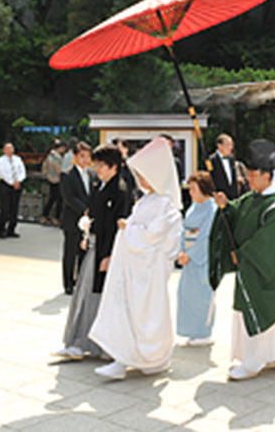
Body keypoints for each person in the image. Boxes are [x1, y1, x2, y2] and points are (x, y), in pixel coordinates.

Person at [90, 137, 183, 380]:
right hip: (136, 270)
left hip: (148, 274)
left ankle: (153, 358)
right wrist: (128, 228)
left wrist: (127, 229)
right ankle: (123, 358)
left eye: (143, 175)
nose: (140, 180)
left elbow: (153, 236)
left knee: (146, 316)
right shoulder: (147, 201)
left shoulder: (166, 205)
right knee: (128, 312)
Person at [209, 140, 275, 381]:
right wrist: (225, 205)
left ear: (267, 176)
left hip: (266, 271)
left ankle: (255, 361)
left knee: (260, 309)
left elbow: (268, 242)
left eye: (253, 174)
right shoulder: (251, 198)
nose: (249, 178)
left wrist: (244, 253)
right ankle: (266, 356)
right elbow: (236, 212)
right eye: (248, 174)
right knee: (246, 310)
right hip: (249, 270)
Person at [55, 144, 129, 360]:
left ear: (113, 166)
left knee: (97, 297)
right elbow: (96, 218)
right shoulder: (102, 185)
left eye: (100, 165)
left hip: (105, 252)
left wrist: (108, 255)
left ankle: (98, 345)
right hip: (95, 248)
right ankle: (79, 342)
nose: (96, 168)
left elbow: (116, 227)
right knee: (85, 295)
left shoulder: (120, 190)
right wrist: (87, 237)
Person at [176, 171, 219, 346]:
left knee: (203, 295)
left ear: (203, 189)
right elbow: (183, 230)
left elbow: (206, 236)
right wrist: (180, 251)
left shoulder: (212, 209)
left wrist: (190, 254)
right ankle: (192, 330)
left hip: (203, 257)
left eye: (194, 189)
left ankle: (204, 332)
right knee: (186, 294)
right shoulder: (193, 207)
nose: (191, 193)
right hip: (188, 256)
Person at [60, 142, 96, 295]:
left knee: (84, 252)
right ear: (75, 157)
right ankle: (68, 283)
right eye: (82, 156)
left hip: (88, 222)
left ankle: (80, 281)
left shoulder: (93, 174)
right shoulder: (67, 174)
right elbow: (69, 198)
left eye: (88, 156)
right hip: (72, 219)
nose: (85, 159)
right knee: (70, 253)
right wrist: (85, 210)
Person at [0, 143, 26, 239]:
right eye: (7, 148)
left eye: (11, 148)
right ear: (4, 150)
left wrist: (18, 181)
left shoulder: (18, 159)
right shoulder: (1, 160)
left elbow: (22, 171)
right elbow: (2, 173)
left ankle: (11, 229)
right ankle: (1, 229)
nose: (10, 150)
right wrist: (12, 182)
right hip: (6, 184)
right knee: (5, 208)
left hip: (17, 184)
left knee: (14, 207)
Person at [208, 134, 242, 200]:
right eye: (228, 145)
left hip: (232, 198)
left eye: (231, 145)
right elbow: (210, 180)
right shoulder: (210, 161)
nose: (231, 147)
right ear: (219, 146)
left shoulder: (231, 159)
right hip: (218, 199)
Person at [40, 140, 64, 226]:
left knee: (51, 199)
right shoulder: (57, 157)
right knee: (59, 201)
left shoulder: (49, 155)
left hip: (51, 179)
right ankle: (56, 219)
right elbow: (58, 169)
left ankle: (44, 217)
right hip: (58, 180)